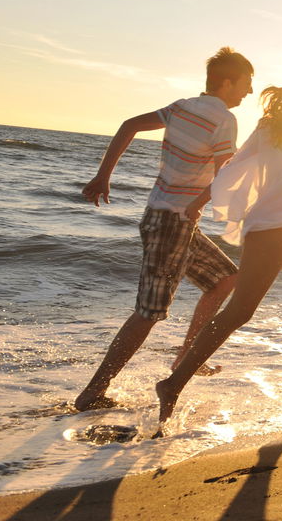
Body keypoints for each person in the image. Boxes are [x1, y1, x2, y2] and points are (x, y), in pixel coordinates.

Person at [154, 71, 282, 431]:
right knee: (239, 313)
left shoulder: (270, 123)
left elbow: (235, 166)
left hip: (270, 224)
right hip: (272, 229)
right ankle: (173, 384)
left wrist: (207, 199)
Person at [73, 49, 253, 412]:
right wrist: (199, 203)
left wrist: (103, 175)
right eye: (247, 84)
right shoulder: (224, 119)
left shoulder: (182, 106)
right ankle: (92, 392)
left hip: (171, 219)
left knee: (225, 280)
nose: (248, 92)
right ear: (227, 81)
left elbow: (129, 125)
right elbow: (226, 175)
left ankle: (188, 357)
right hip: (172, 221)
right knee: (149, 312)